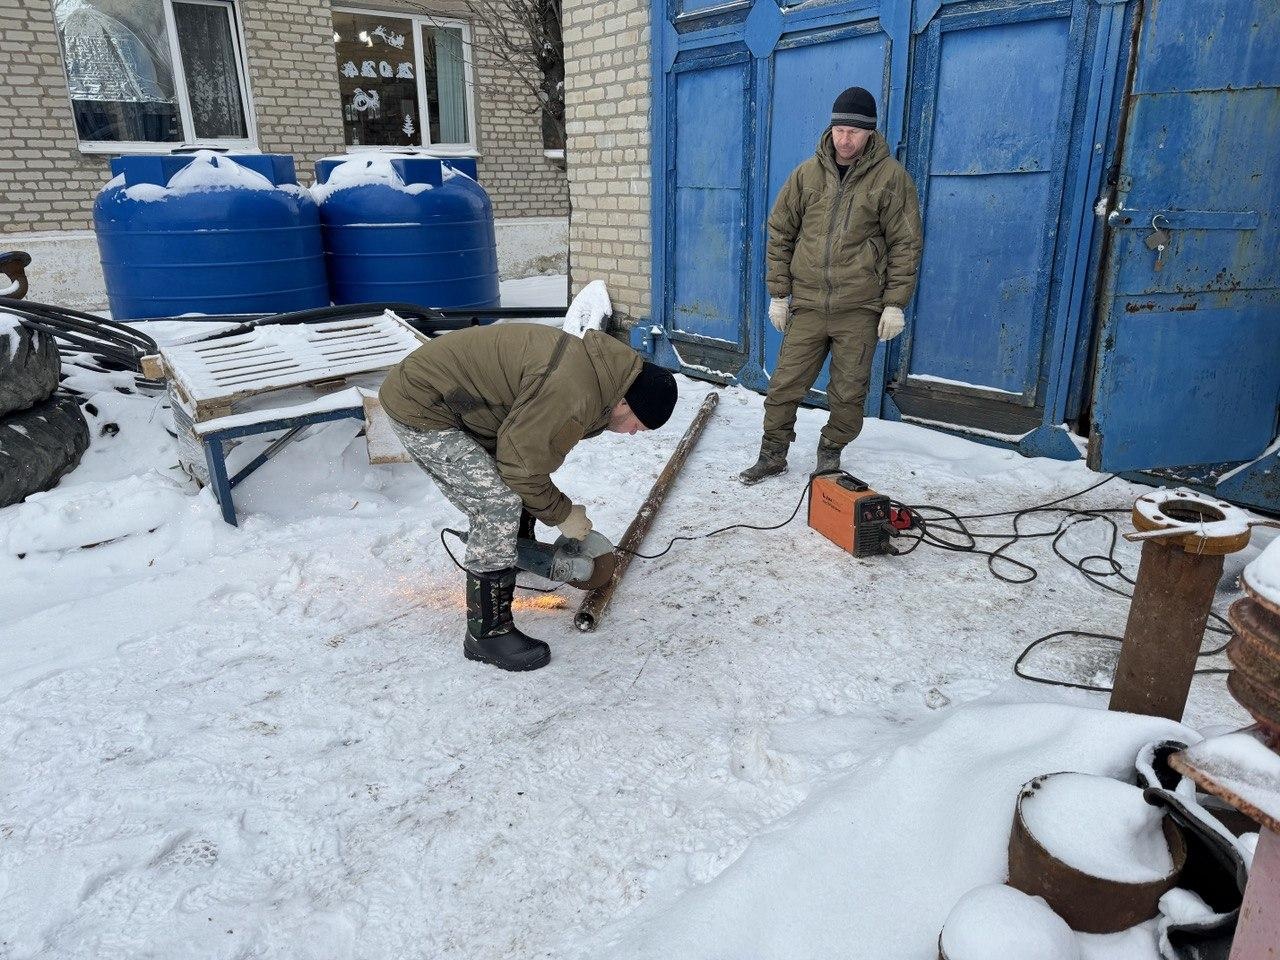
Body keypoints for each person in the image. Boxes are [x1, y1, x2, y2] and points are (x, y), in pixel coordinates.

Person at [380, 323, 678, 672]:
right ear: (625, 401)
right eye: (636, 425)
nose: (631, 434)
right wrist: (562, 513)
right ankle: (487, 633)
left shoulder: (602, 380)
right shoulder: (575, 392)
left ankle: (514, 551)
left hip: (463, 404)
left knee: (517, 481)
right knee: (498, 504)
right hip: (424, 405)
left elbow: (526, 453)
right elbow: (520, 468)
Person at [740, 86, 923, 484]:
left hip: (859, 308)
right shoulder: (806, 175)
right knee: (785, 384)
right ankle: (773, 453)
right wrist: (778, 294)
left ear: (870, 134)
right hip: (807, 303)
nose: (845, 139)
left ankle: (830, 453)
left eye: (854, 132)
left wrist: (894, 303)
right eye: (840, 129)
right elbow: (780, 231)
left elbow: (905, 244)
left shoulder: (891, 179)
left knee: (848, 392)